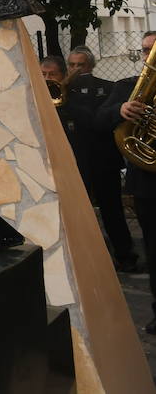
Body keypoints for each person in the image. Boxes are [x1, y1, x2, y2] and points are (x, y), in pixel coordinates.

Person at [103, 30, 156, 331]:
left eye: (153, 49)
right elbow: (100, 119)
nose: (149, 56)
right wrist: (120, 110)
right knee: (155, 250)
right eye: (145, 50)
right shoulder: (125, 87)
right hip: (148, 184)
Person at [67, 45, 137, 271]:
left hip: (104, 160)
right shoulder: (63, 91)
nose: (76, 70)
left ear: (91, 66)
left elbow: (101, 120)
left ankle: (126, 257)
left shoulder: (108, 88)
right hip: (75, 162)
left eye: (81, 65)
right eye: (72, 65)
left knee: (112, 211)